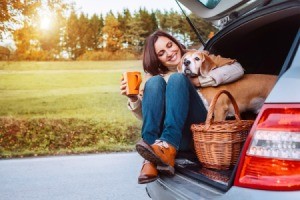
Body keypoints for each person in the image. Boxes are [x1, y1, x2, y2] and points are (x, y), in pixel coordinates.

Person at [120, 30, 244, 184]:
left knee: (178, 79)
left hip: (197, 132)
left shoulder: (198, 56)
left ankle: (167, 147)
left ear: (176, 42)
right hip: (171, 138)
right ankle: (151, 158)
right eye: (161, 53)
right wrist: (133, 99)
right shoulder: (154, 78)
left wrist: (198, 82)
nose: (170, 53)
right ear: (156, 59)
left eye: (170, 45)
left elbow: (237, 69)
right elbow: (148, 116)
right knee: (154, 83)